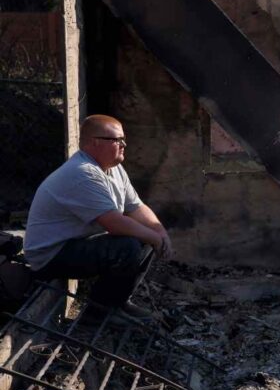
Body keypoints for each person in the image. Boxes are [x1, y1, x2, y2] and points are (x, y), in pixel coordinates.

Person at [23, 114, 172, 320]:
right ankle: (98, 313)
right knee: (127, 246)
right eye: (117, 140)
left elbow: (136, 207)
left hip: (75, 244)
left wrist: (160, 233)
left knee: (144, 236)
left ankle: (119, 302)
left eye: (123, 139)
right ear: (95, 142)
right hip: (50, 256)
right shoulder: (82, 173)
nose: (124, 144)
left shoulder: (114, 169)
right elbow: (114, 224)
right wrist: (154, 237)